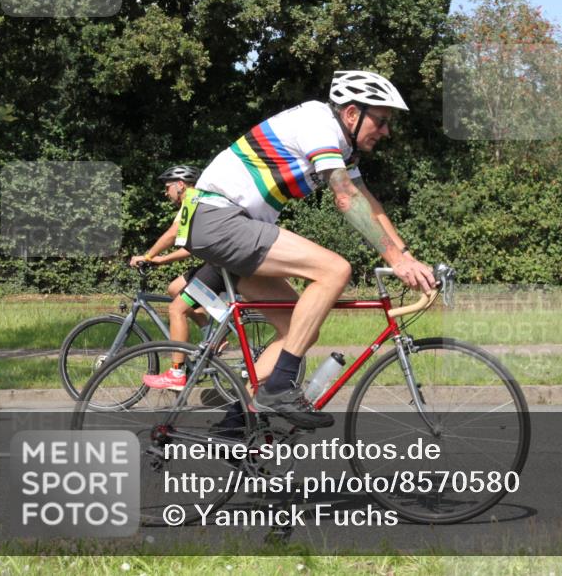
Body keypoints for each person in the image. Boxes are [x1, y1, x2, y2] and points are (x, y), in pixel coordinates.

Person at [186, 71, 436, 429]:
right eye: (380, 122)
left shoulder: (342, 147)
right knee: (335, 270)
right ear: (352, 114)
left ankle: (235, 421)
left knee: (297, 329)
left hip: (234, 225)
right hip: (220, 218)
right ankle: (278, 390)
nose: (386, 132)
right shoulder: (317, 124)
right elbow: (346, 198)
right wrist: (394, 261)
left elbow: (369, 202)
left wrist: (406, 256)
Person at [129, 165, 238, 389]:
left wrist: (149, 256)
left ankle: (176, 372)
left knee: (176, 309)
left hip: (220, 262)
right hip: (218, 260)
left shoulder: (193, 199)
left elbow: (171, 235)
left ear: (180, 185)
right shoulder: (198, 200)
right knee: (174, 288)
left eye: (167, 187)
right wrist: (159, 260)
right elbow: (189, 247)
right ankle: (215, 336)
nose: (165, 192)